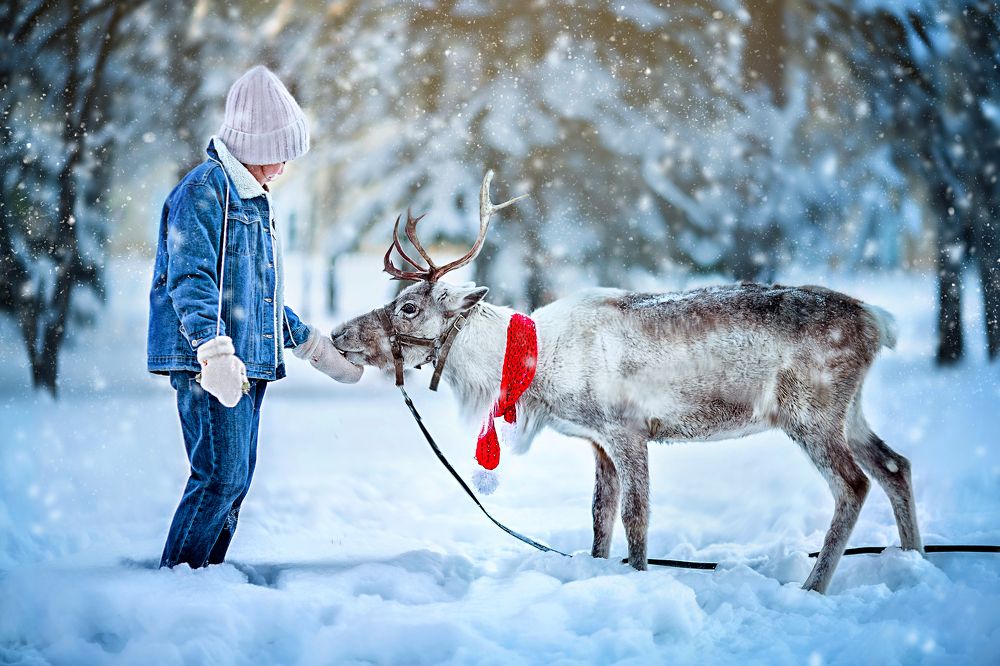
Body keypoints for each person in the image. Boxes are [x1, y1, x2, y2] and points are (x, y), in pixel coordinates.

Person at [146, 65, 362, 569]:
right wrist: (212, 351)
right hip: (212, 362)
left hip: (246, 364)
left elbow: (257, 297)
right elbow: (191, 279)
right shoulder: (205, 191)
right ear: (253, 144)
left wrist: (312, 344)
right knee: (217, 476)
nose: (284, 165)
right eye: (278, 152)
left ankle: (205, 577)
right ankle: (177, 581)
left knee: (236, 479)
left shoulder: (253, 200)